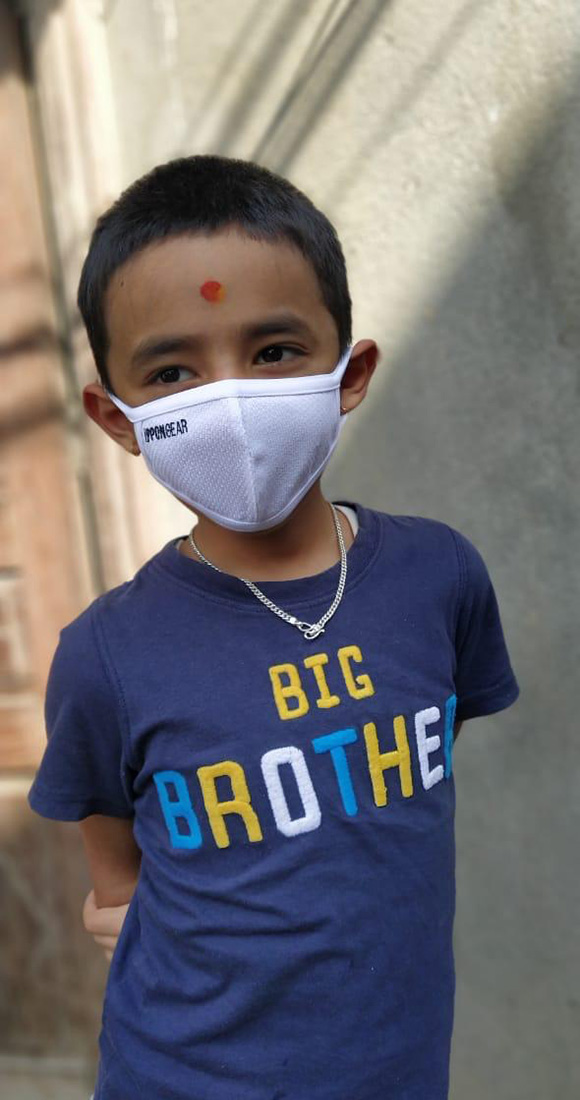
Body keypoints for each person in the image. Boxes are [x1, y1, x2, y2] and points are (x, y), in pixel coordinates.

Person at [27, 154, 520, 1100]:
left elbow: (393, 781)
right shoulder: (103, 656)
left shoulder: (439, 577)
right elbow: (116, 887)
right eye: (172, 371)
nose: (232, 400)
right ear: (118, 419)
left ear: (349, 372)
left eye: (274, 352)